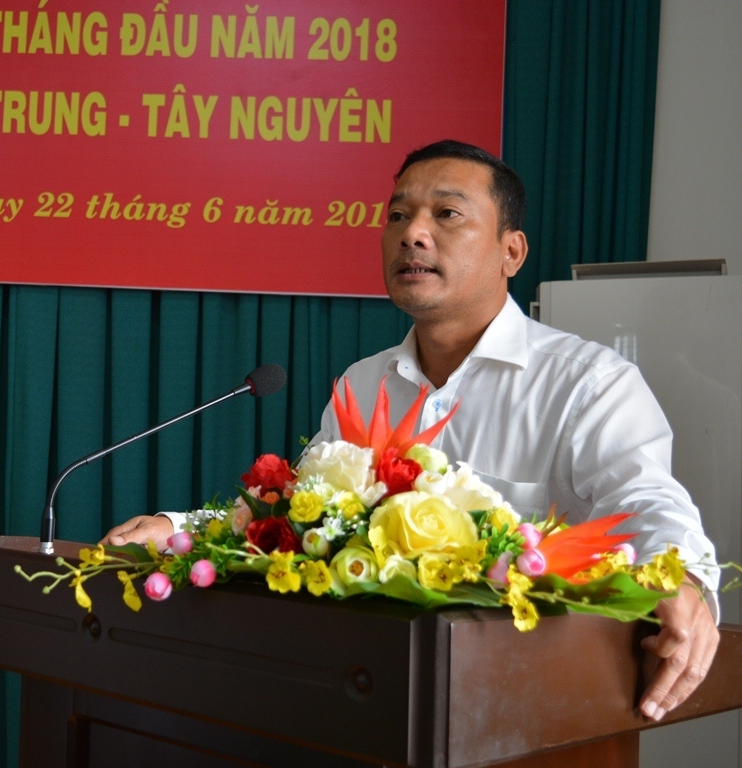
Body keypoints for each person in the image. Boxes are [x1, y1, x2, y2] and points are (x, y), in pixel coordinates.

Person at [103, 139, 720, 723]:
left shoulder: (588, 383)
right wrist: (177, 531)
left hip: (524, 703)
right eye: (398, 215)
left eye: (447, 214)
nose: (412, 233)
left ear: (511, 252)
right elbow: (292, 519)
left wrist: (684, 582)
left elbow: (650, 503)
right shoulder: (364, 382)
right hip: (367, 700)